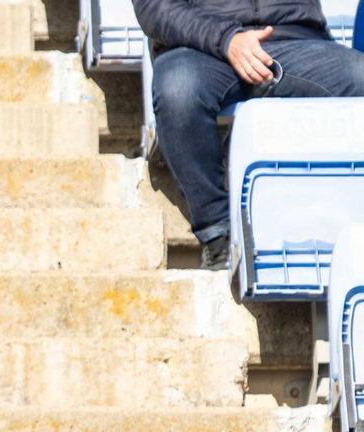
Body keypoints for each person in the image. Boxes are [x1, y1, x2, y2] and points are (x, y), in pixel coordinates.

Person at [136, 0, 364, 269]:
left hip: (296, 39)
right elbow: (154, 6)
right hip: (201, 47)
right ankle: (218, 236)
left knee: (359, 75)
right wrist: (227, 39)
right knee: (179, 91)